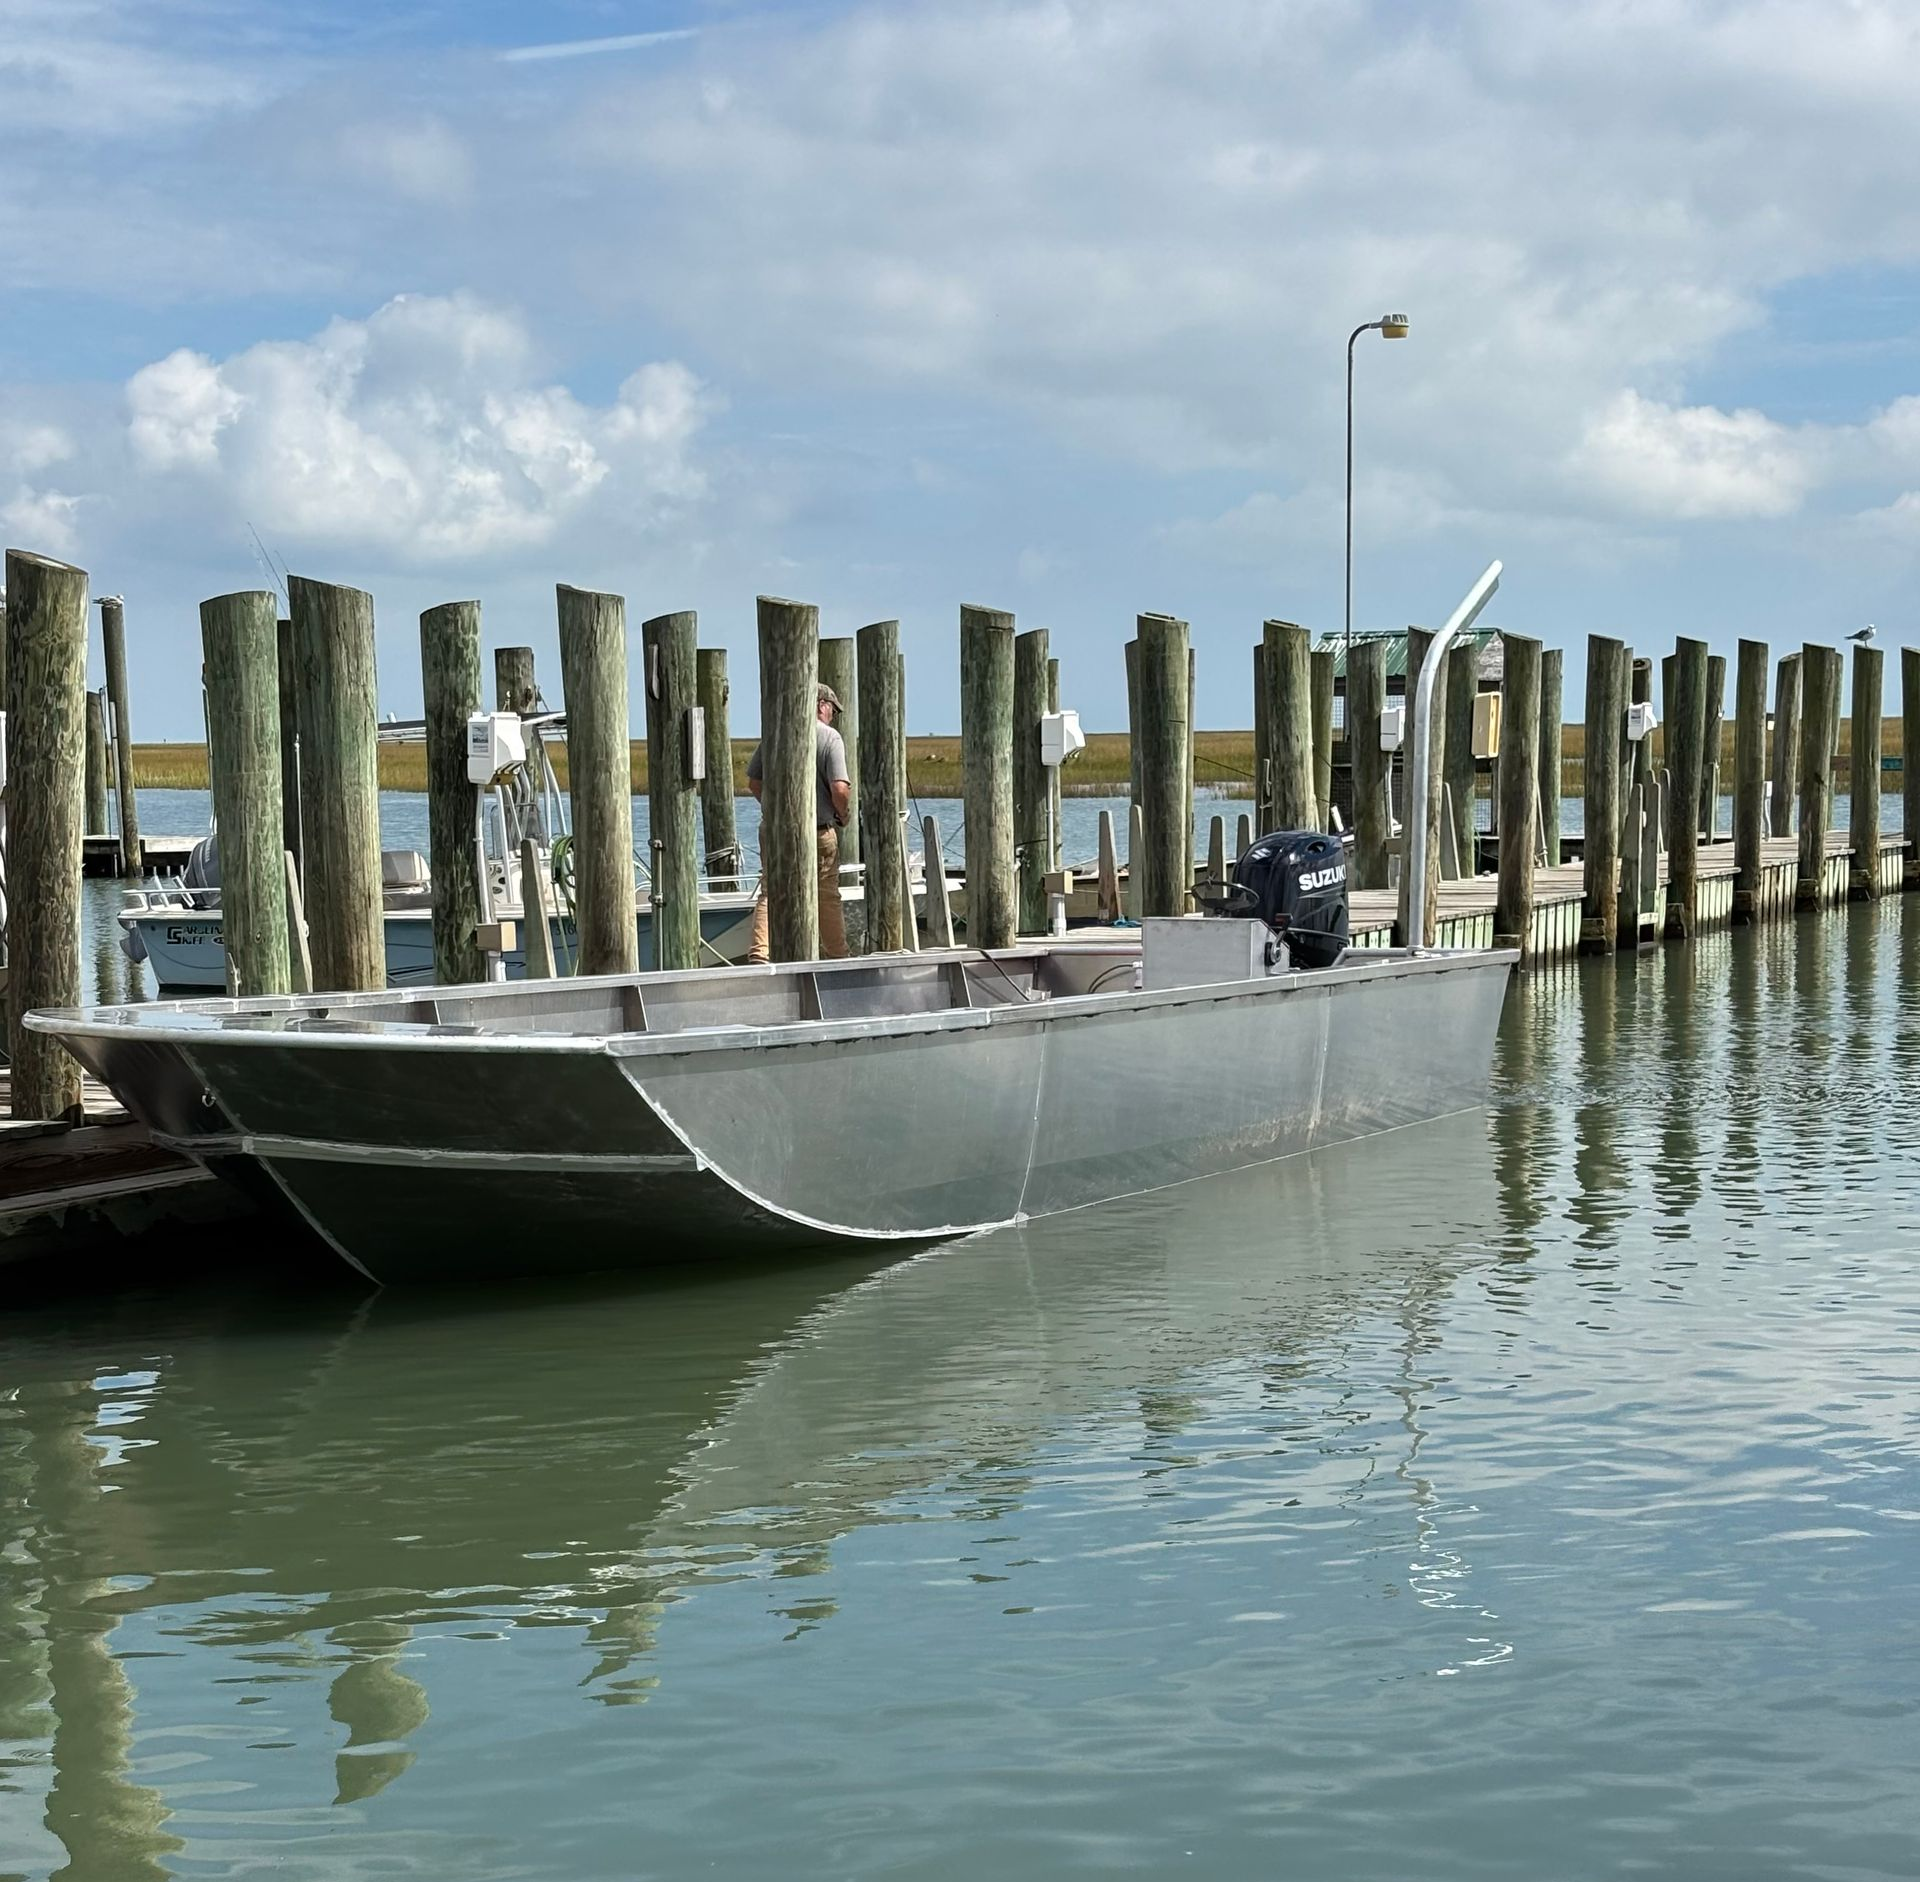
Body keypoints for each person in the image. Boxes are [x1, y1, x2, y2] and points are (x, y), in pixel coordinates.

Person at [745, 683, 850, 961]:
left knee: (771, 890)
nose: (832, 716)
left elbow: (755, 782)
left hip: (775, 830)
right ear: (820, 705)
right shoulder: (830, 737)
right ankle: (837, 957)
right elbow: (840, 788)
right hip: (818, 829)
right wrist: (843, 813)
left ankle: (760, 954)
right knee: (826, 893)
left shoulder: (775, 733)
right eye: (832, 710)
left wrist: (773, 809)